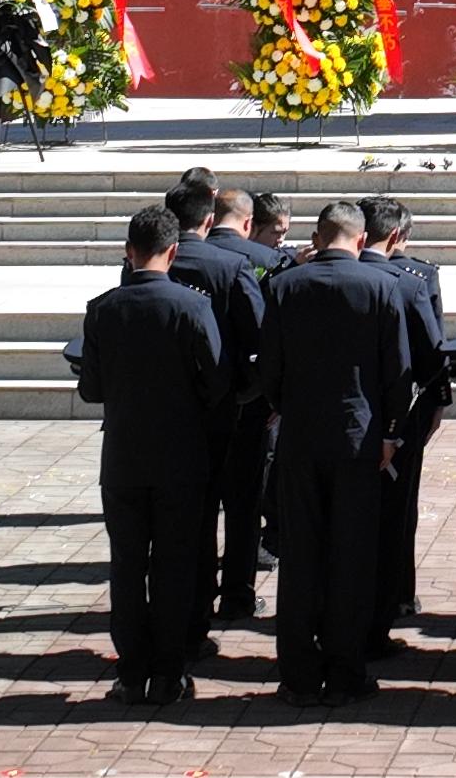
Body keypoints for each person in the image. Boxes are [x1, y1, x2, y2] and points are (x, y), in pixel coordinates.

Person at [257, 199, 413, 707]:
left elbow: (270, 367)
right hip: (359, 438)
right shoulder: (382, 285)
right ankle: (346, 671)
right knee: (352, 556)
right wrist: (391, 433)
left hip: (301, 436)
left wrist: (288, 407)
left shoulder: (284, 286)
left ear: (318, 237)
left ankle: (299, 674)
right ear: (362, 240)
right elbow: (398, 370)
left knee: (301, 557)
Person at [76, 204, 224, 708]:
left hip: (124, 457)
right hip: (181, 455)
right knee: (174, 566)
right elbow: (216, 382)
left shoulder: (103, 308)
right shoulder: (192, 306)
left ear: (128, 251)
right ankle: (168, 673)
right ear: (174, 252)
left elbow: (91, 389)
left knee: (127, 566)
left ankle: (131, 671)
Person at [170, 184, 267, 632]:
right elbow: (259, 335)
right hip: (231, 404)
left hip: (172, 406)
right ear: (208, 220)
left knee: (191, 508)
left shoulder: (150, 263)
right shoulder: (231, 266)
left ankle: (192, 596)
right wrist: (255, 392)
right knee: (242, 503)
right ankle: (236, 595)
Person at [360, 196, 448, 649]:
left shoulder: (308, 276)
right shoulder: (412, 281)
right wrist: (437, 403)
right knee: (396, 510)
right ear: (396, 236)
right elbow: (433, 354)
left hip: (338, 418)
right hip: (399, 414)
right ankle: (390, 600)